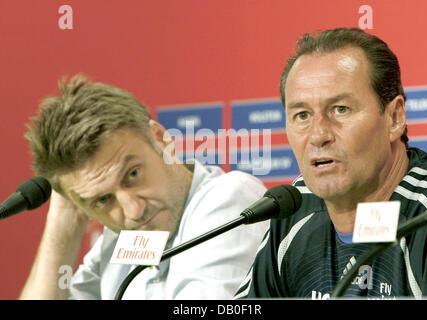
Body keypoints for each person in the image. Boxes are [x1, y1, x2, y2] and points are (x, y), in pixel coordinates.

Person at [19, 74, 269, 300]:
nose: (134, 210)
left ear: (160, 138)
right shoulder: (122, 238)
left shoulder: (229, 197)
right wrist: (63, 225)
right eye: (103, 200)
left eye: (133, 174)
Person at [235, 27, 427, 299]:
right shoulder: (295, 211)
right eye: (302, 115)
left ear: (394, 118)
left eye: (341, 110)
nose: (318, 135)